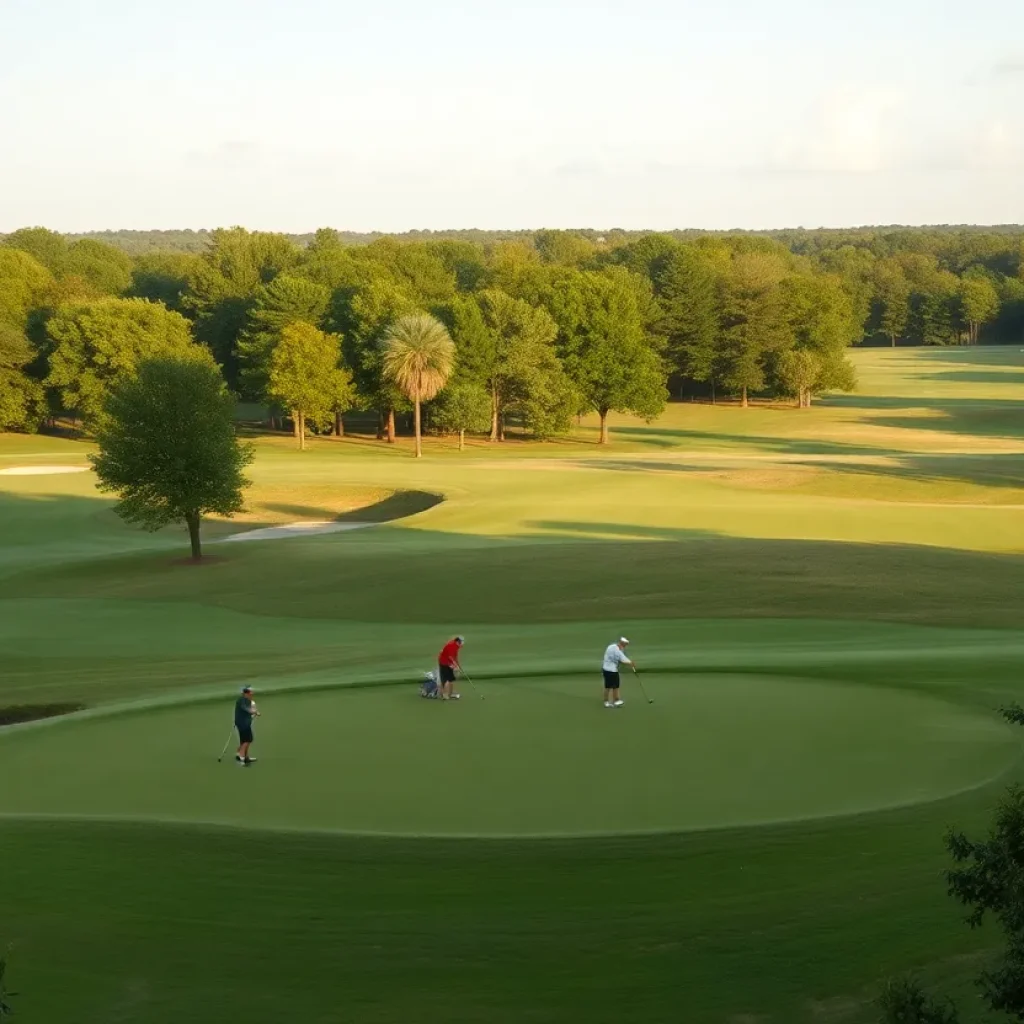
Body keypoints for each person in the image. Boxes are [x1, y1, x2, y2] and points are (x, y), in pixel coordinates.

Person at [602, 637, 633, 708]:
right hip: (612, 671)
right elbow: (622, 659)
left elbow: (623, 656)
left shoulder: (611, 646)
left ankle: (608, 701)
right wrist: (630, 663)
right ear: (622, 643)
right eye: (625, 644)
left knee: (609, 686)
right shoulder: (618, 651)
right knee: (614, 686)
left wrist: (629, 662)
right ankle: (614, 701)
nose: (626, 646)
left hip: (605, 669)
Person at [235, 685, 260, 764]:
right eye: (250, 693)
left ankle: (245, 756)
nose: (252, 694)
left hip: (245, 722)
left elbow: (251, 709)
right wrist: (254, 712)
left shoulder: (248, 700)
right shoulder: (242, 700)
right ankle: (241, 756)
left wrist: (254, 712)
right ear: (246, 693)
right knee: (247, 739)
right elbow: (245, 708)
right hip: (242, 723)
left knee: (244, 740)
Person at [437, 636, 464, 700]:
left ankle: (450, 694)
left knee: (451, 679)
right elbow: (450, 657)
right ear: (458, 641)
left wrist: (459, 666)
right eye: (461, 642)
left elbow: (455, 656)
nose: (461, 644)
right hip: (443, 663)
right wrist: (455, 666)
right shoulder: (451, 645)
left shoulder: (456, 646)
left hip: (449, 663)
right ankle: (445, 695)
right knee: (445, 680)